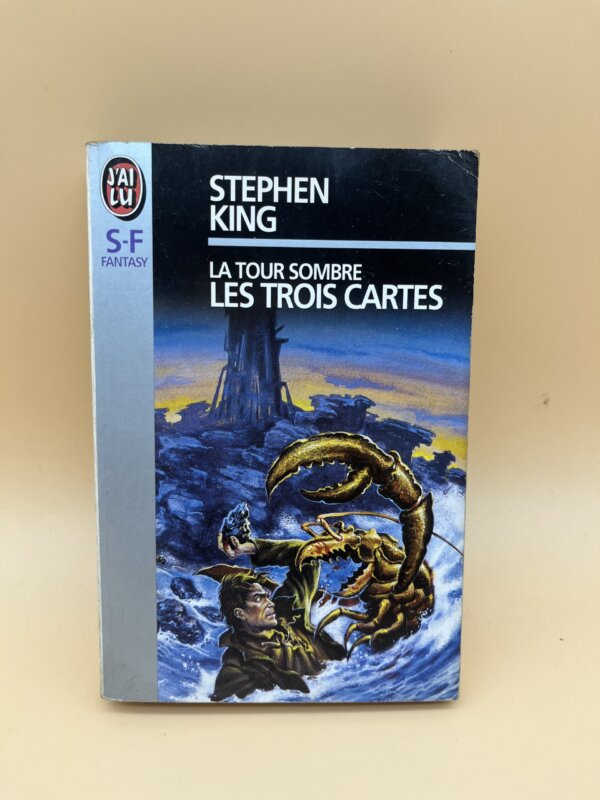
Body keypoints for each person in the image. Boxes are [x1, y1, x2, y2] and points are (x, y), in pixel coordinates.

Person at [209, 533, 345, 702]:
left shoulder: (288, 613)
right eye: (258, 599)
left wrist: (250, 548)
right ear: (240, 613)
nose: (271, 603)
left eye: (267, 596)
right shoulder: (237, 668)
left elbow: (306, 555)